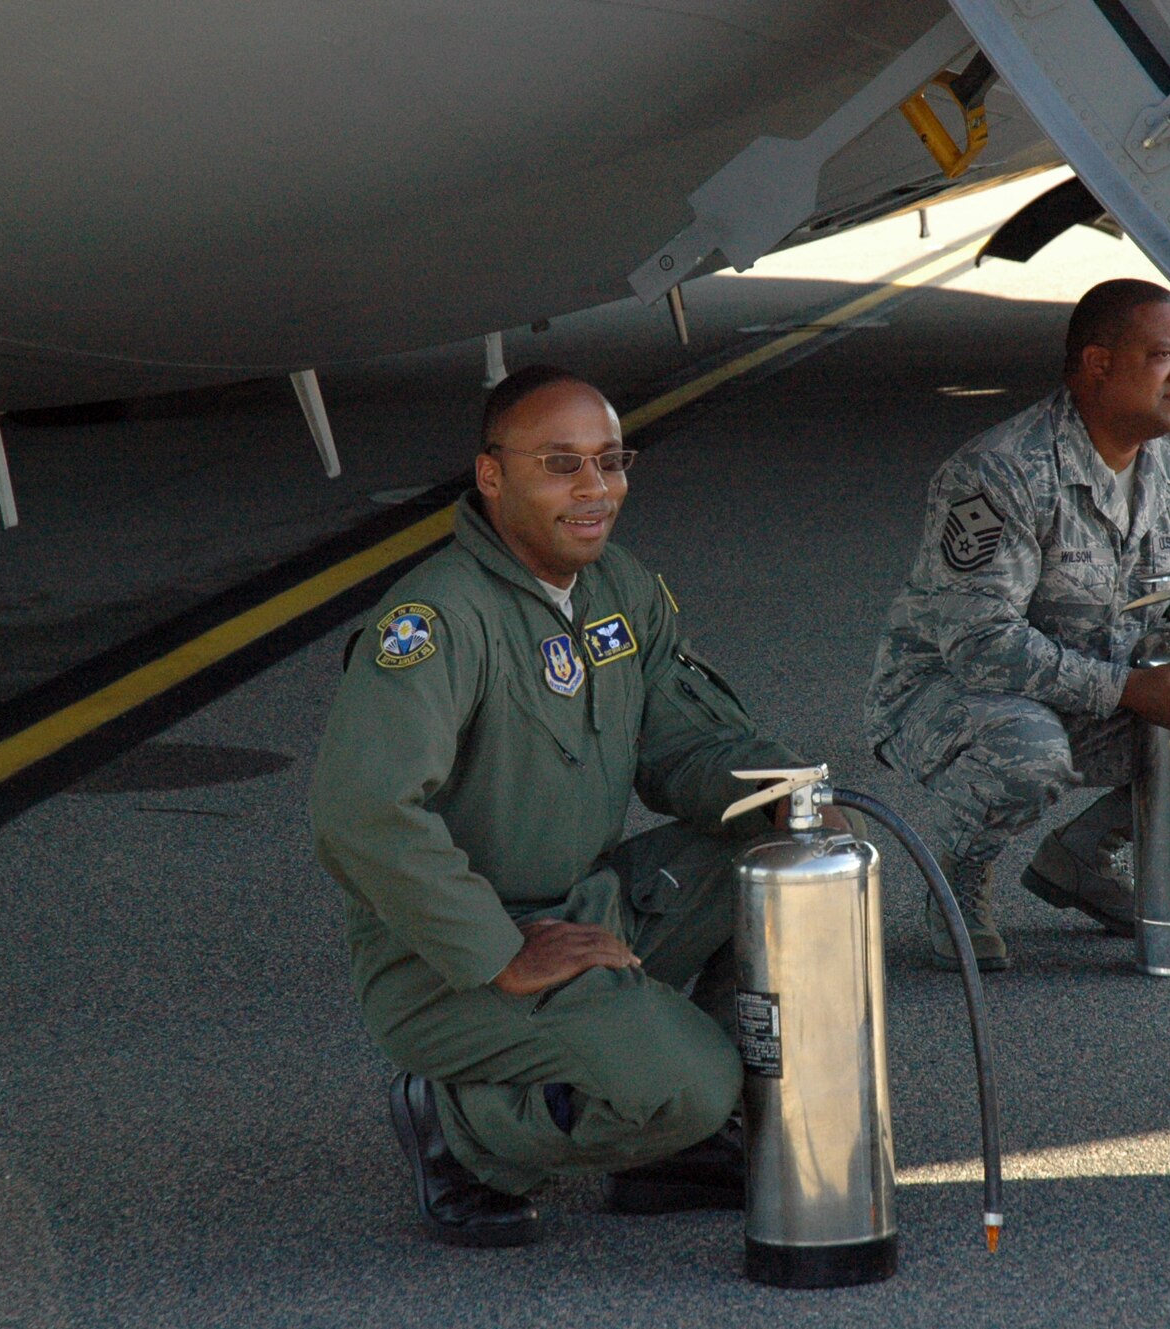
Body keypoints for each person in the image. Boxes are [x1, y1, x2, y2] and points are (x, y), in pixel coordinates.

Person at [311, 365, 819, 1247]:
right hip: (448, 957)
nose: (595, 489)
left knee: (780, 866)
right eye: (560, 464)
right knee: (697, 1082)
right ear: (492, 477)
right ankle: (461, 1129)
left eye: (610, 461)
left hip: (581, 910)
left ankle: (655, 1138)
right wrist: (499, 952)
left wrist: (789, 796)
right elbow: (363, 812)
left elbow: (686, 745)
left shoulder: (617, 588)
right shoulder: (437, 619)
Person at [864, 278, 1170, 971]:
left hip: (1108, 688)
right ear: (1099, 364)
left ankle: (1082, 855)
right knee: (1030, 752)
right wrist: (1129, 690)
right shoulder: (1001, 471)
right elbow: (980, 641)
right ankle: (956, 879)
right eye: (1164, 355)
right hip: (956, 695)